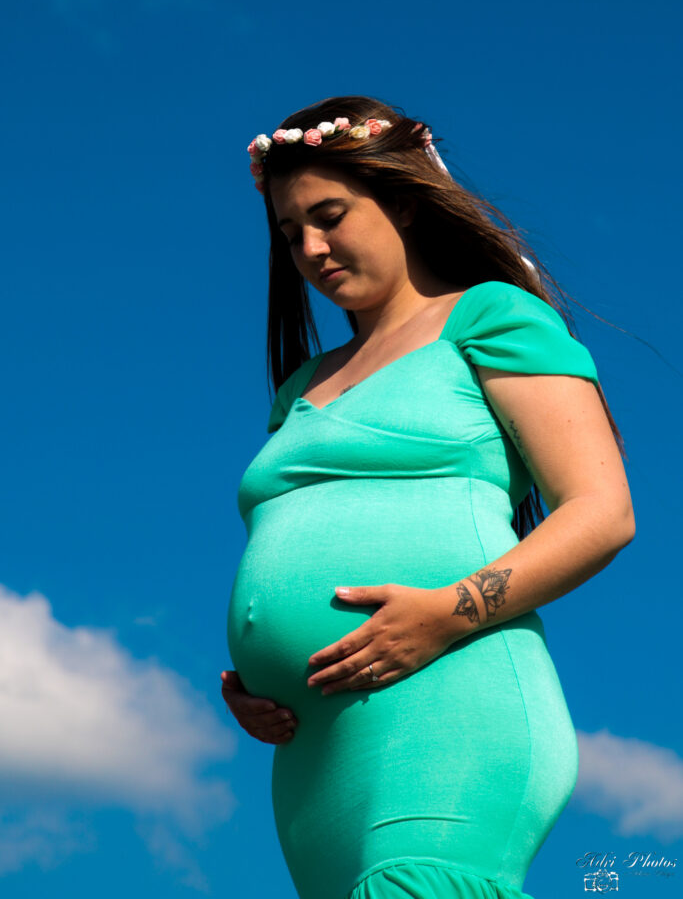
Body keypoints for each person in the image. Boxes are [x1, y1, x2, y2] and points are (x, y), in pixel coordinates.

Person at [221, 95, 635, 899]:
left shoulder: (488, 315)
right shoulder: (302, 386)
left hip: (446, 701)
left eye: (330, 215)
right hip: (312, 751)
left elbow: (601, 511)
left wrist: (447, 612)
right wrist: (256, 678)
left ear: (403, 202)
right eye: (288, 231)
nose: (310, 247)